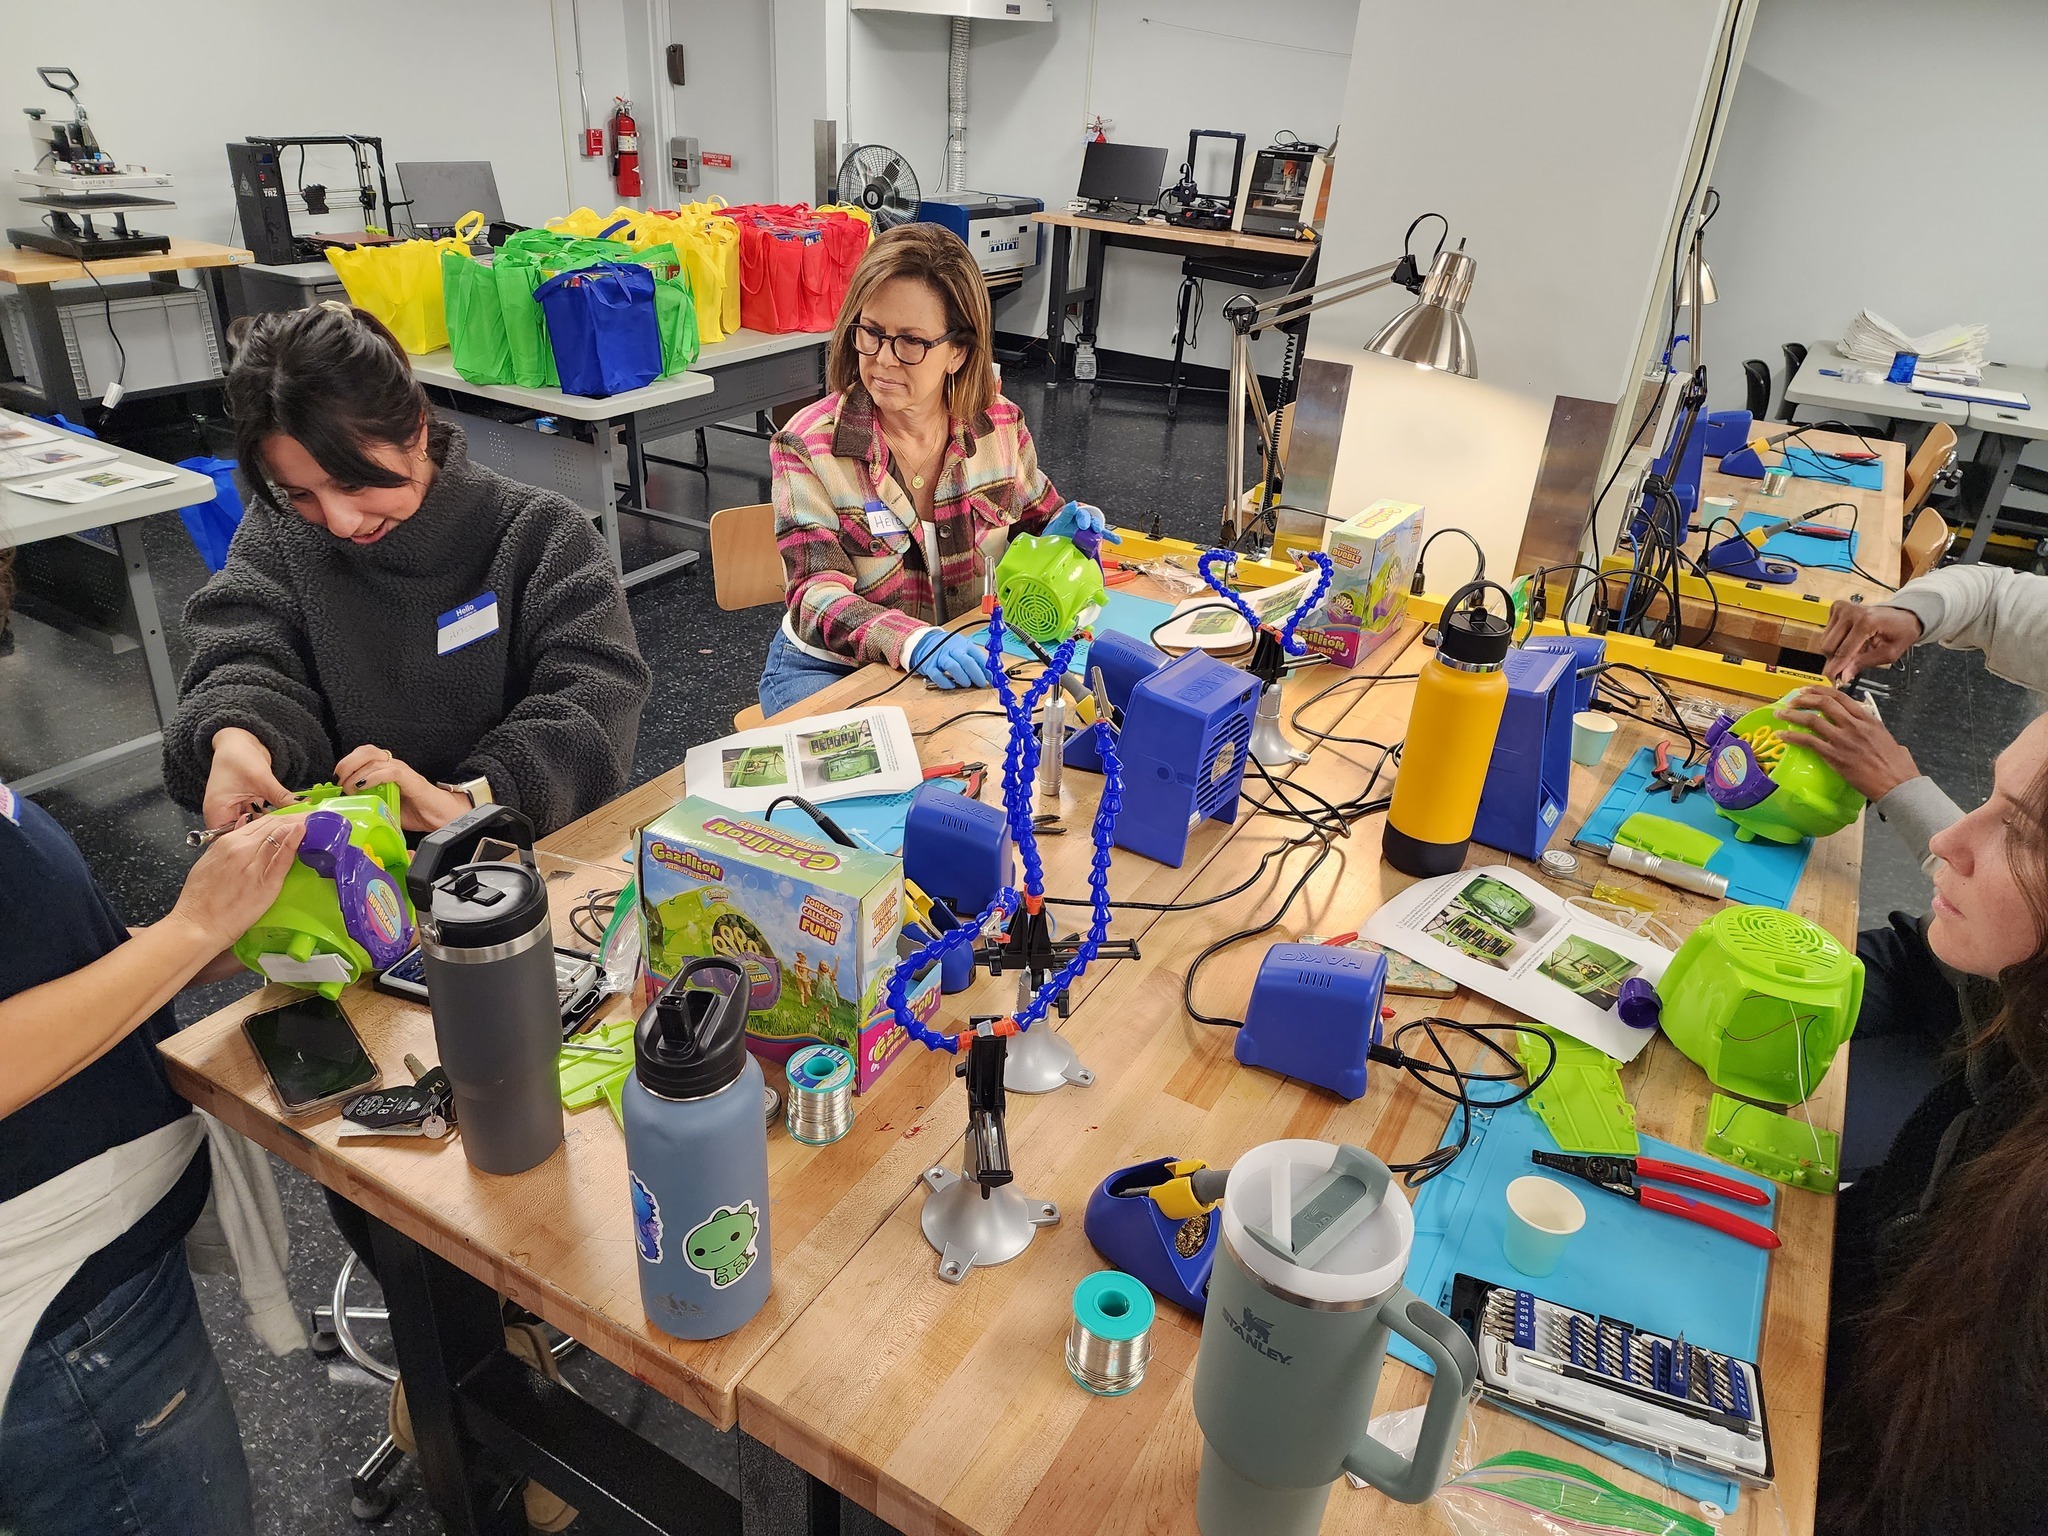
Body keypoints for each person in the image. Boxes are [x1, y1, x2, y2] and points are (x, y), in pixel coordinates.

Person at [162, 302, 652, 839]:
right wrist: (238, 734)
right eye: (299, 492)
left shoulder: (538, 533)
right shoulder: (280, 529)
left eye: (353, 482)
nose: (339, 521)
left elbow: (596, 700)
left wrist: (471, 800)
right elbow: (242, 650)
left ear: (417, 431)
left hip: (506, 854)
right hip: (332, 859)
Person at [0, 797, 304, 1536]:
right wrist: (192, 925)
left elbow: (50, 955)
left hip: (95, 1278)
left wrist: (231, 929)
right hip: (63, 1321)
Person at [1817, 712, 2048, 1535]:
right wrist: (1795, 989)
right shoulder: (2015, 997)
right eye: (1989, 797)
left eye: (2019, 834)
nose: (1949, 838)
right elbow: (1920, 963)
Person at [759, 223, 1115, 715]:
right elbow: (813, 596)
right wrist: (913, 643)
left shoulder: (999, 423)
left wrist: (1061, 538)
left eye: (910, 342)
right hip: (832, 670)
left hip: (961, 652)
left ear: (959, 351)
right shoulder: (807, 443)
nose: (883, 359)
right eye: (872, 333)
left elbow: (1037, 522)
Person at [1777, 568, 2048, 1171]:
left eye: (2023, 831)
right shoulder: (1964, 947)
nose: (1950, 839)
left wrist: (1899, 786)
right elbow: (1996, 595)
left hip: (1993, 1041)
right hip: (1954, 970)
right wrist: (1911, 614)